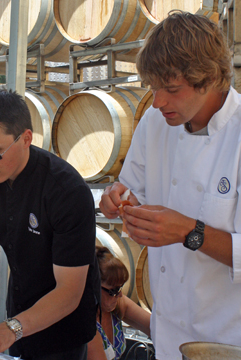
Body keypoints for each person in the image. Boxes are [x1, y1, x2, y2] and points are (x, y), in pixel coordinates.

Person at [99, 10, 241, 359]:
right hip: (168, 333)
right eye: (153, 88)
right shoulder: (154, 121)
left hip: (228, 337)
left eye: (172, 90)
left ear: (208, 79)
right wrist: (118, 200)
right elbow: (133, 191)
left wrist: (188, 232)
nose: (158, 101)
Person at [0, 89, 98, 360]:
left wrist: (10, 329)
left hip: (63, 328)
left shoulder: (66, 190)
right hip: (17, 315)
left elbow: (69, 292)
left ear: (26, 138)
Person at [87, 246, 150, 360]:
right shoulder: (84, 324)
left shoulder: (118, 305)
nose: (120, 294)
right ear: (92, 287)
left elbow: (154, 328)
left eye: (120, 288)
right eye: (113, 290)